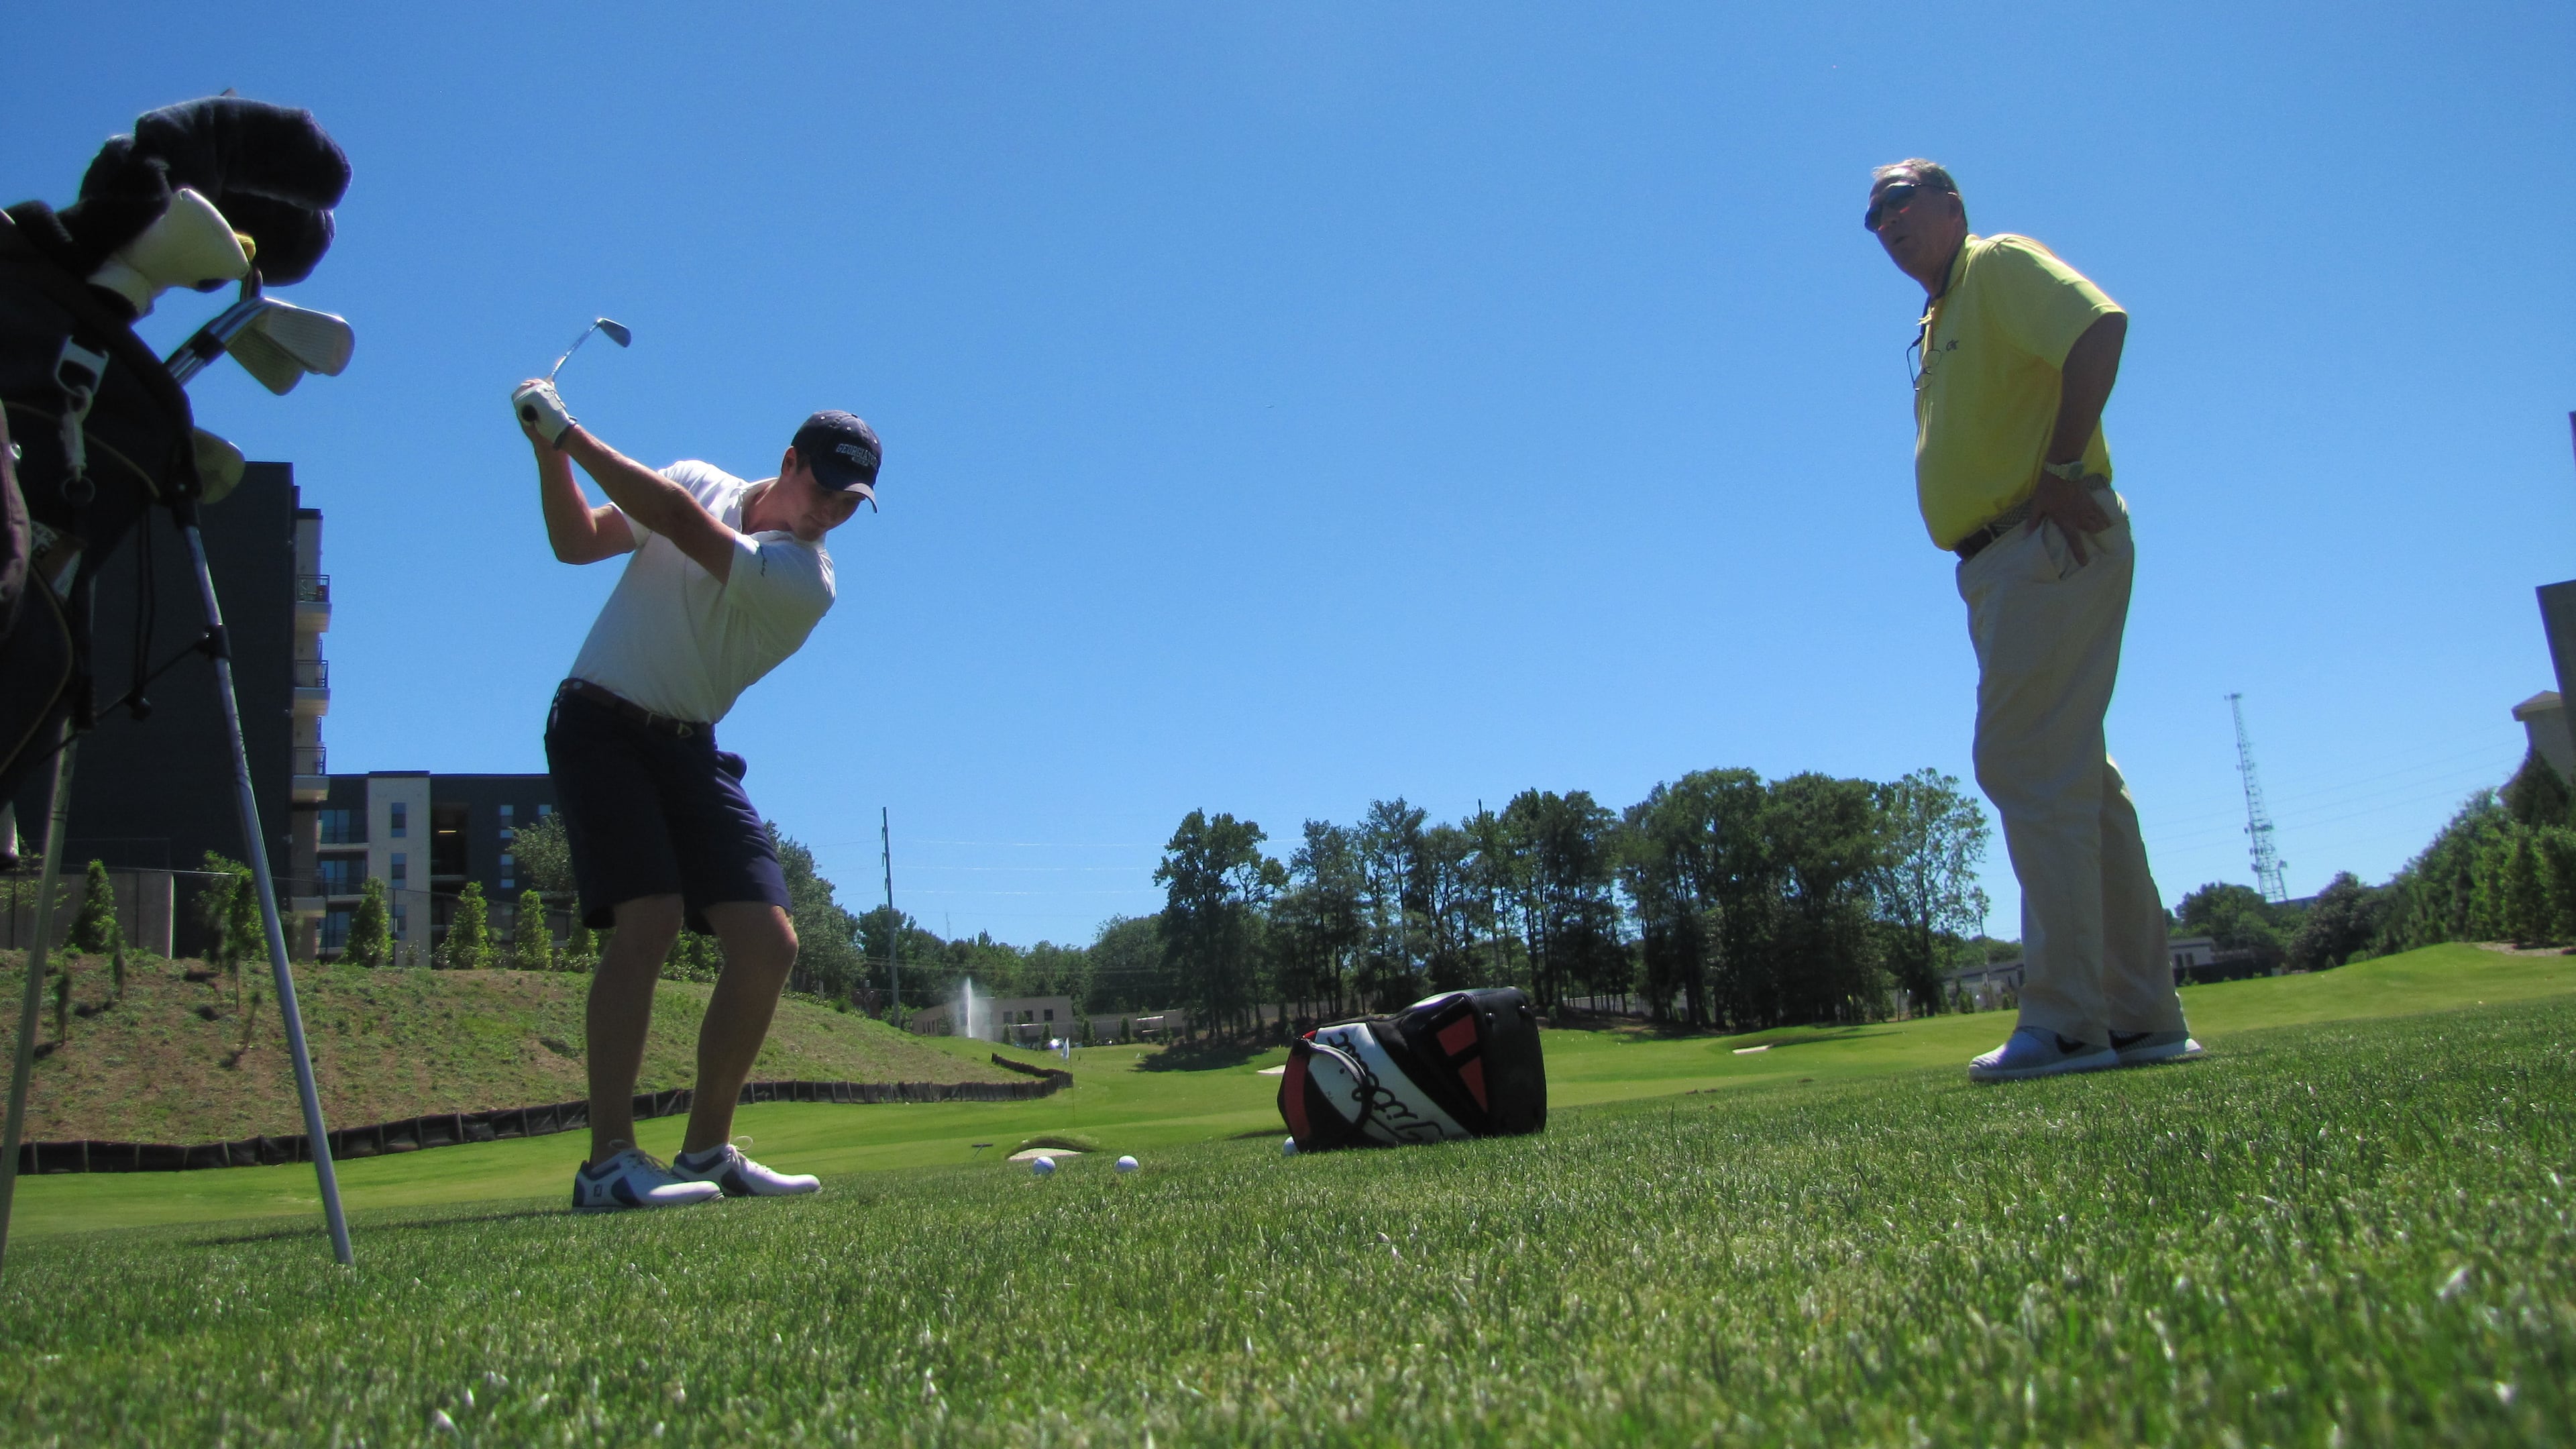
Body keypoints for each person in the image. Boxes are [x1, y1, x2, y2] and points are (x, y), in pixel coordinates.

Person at [1864, 159, 2202, 1082]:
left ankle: (2065, 1022)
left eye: (1901, 202)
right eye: (1873, 217)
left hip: (2044, 536)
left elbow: (2100, 326)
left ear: (1951, 205)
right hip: (2001, 563)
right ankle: (2141, 1017)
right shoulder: (1939, 318)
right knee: (2077, 779)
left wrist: (2057, 468)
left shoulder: (2000, 262)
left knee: (2022, 763)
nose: (1886, 224)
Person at [511, 376, 881, 1208]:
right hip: (599, 724)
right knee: (650, 918)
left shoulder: (806, 579)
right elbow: (575, 543)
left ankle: (707, 1150)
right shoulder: (698, 476)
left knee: (769, 944)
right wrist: (548, 455)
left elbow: (681, 522)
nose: (830, 512)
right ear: (789, 462)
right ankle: (608, 1163)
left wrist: (569, 432)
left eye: (850, 503)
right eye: (824, 487)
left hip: (689, 748)